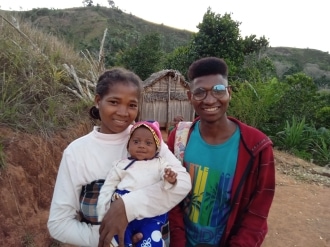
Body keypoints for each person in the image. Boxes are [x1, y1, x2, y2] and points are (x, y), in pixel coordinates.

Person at [47, 67, 192, 247]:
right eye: (114, 102)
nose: (123, 112)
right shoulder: (77, 152)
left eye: (132, 105)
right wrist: (112, 240)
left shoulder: (147, 139)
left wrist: (127, 206)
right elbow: (58, 224)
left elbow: (183, 182)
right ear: (98, 101)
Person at [167, 57, 275, 247]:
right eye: (200, 92)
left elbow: (257, 212)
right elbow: (169, 196)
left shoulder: (256, 147)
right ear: (189, 96)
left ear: (229, 92)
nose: (210, 100)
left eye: (218, 90)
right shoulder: (179, 139)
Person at [97, 120, 181, 247]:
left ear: (156, 148)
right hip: (122, 213)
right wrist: (103, 212)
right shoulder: (120, 165)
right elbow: (108, 187)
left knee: (152, 241)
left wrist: (169, 178)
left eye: (148, 143)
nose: (141, 146)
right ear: (128, 145)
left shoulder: (161, 163)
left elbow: (166, 179)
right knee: (117, 240)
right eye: (136, 142)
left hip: (150, 215)